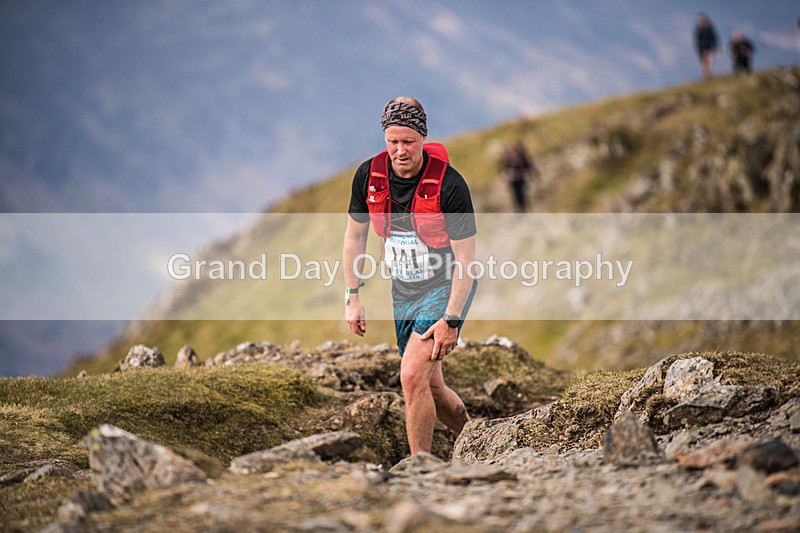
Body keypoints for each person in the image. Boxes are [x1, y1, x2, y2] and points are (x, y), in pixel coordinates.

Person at [343, 96, 478, 455]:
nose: (400, 151)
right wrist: (352, 296)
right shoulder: (368, 176)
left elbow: (467, 261)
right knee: (431, 387)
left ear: (422, 138)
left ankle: (421, 467)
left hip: (444, 285)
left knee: (411, 375)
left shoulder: (450, 185)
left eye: (409, 142)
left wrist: (452, 318)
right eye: (393, 142)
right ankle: (480, 441)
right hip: (404, 291)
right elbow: (355, 236)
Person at [499, 140, 539, 212]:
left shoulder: (522, 157)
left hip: (521, 178)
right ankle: (518, 211)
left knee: (522, 194)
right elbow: (505, 168)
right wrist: (504, 177)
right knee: (515, 195)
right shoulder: (508, 158)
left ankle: (524, 210)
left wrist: (533, 175)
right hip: (513, 179)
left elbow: (528, 166)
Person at [694, 13, 719, 79]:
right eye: (700, 20)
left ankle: (709, 74)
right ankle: (705, 75)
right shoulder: (699, 30)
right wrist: (700, 48)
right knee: (703, 61)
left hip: (709, 47)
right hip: (701, 48)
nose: (701, 21)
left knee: (709, 60)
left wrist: (715, 47)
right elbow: (697, 40)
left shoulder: (710, 29)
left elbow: (714, 38)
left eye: (703, 20)